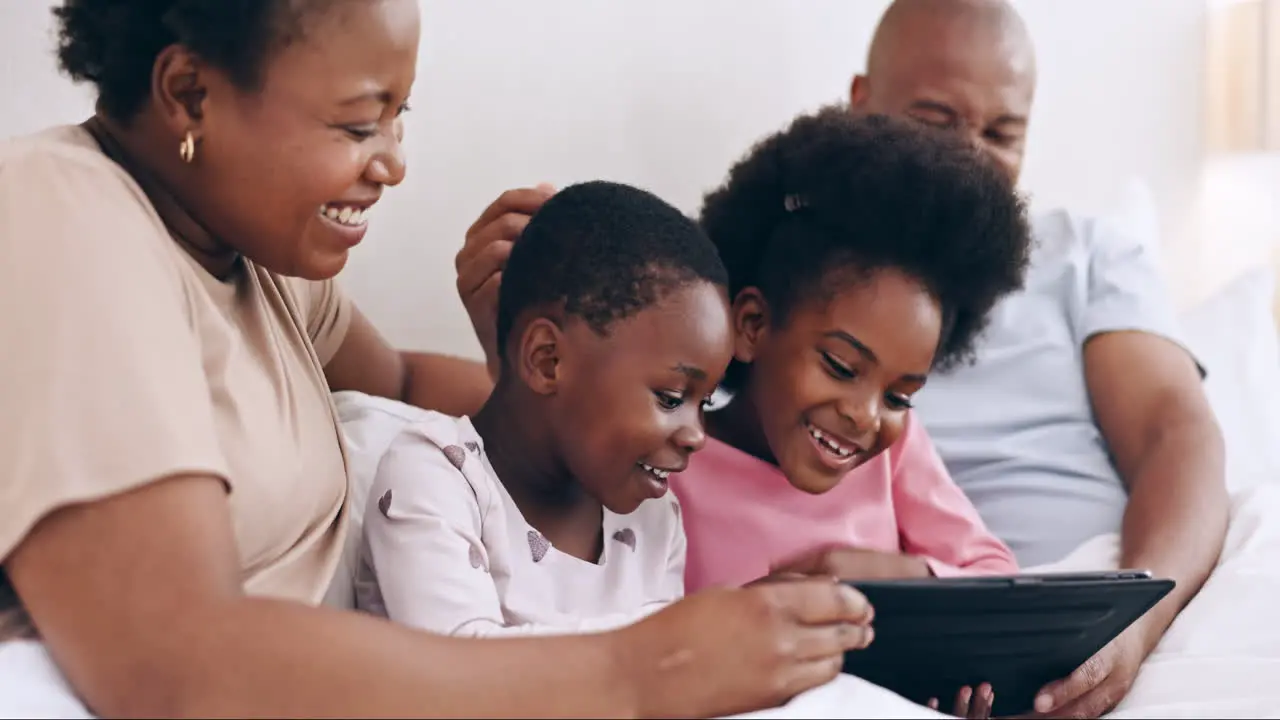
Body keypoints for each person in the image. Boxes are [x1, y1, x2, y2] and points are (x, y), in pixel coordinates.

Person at [0, 1, 880, 717]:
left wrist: (554, 371)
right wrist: (640, 672)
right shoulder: (62, 216)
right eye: (356, 123)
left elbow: (406, 385)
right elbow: (168, 662)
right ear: (190, 92)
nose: (393, 164)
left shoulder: (250, 256)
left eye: (398, 116)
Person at [848, 0, 1229, 716]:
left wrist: (1131, 627)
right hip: (906, 617)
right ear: (860, 104)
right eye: (934, 119)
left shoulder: (1084, 253)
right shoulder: (797, 278)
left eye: (1002, 131)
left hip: (1107, 599)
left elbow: (1174, 435)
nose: (969, 155)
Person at [666, 109, 1026, 598]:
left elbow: (998, 578)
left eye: (900, 397)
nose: (866, 415)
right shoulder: (668, 459)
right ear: (752, 325)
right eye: (841, 367)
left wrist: (887, 575)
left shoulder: (894, 453)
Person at [357, 180, 738, 636]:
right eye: (672, 398)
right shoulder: (437, 479)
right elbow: (461, 676)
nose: (697, 434)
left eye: (705, 403)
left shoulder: (652, 518)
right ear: (547, 360)